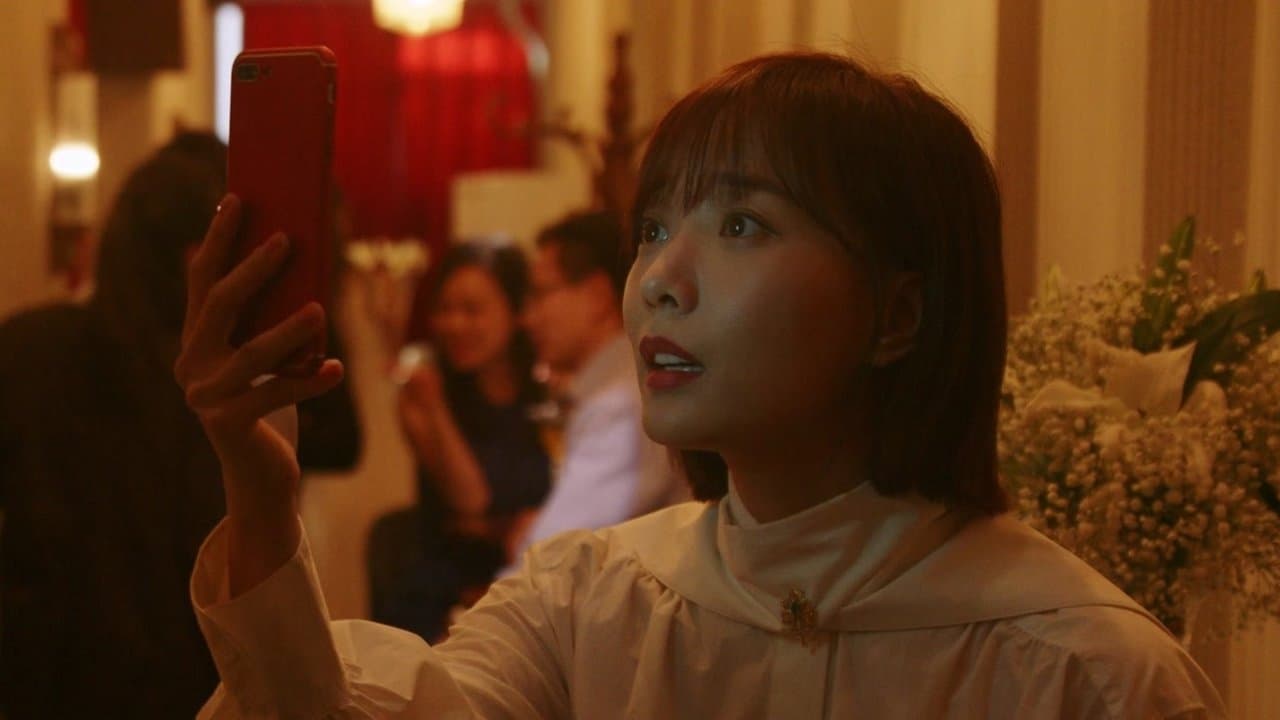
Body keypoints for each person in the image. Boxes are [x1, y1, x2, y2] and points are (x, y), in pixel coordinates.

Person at [175, 53, 1225, 718]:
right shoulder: (588, 603)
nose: (658, 282)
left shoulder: (1084, 671)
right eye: (653, 227)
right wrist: (261, 496)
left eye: (741, 224)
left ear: (898, 313)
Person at [0, 132, 230, 718]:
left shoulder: (27, 347)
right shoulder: (203, 388)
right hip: (174, 684)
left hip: (34, 674)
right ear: (192, 256)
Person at [368, 241, 551, 641]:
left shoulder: (546, 394)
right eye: (445, 309)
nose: (454, 324)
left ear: (516, 311)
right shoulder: (423, 398)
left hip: (534, 579)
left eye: (472, 310)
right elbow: (471, 499)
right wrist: (436, 408)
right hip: (444, 584)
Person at [507, 210, 683, 561]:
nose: (527, 318)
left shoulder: (620, 405)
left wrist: (531, 537)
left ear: (598, 296)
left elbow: (552, 558)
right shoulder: (615, 387)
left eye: (540, 294)